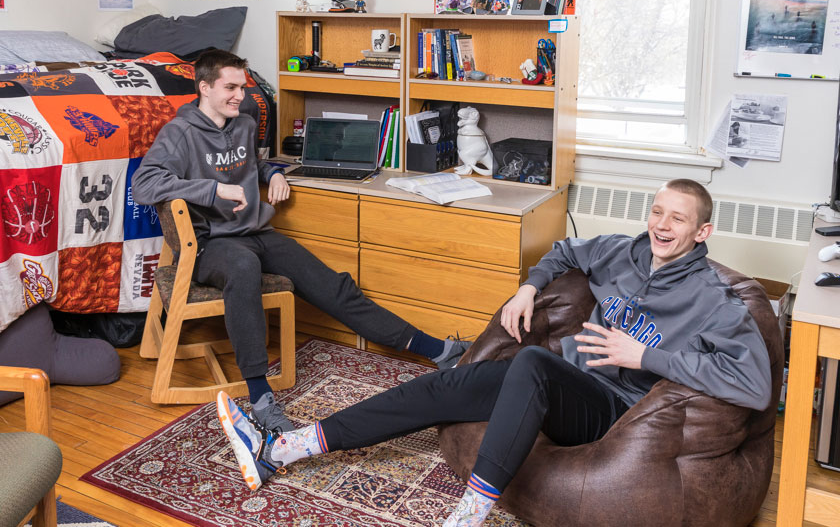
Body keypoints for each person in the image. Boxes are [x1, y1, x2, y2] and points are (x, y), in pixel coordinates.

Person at [216, 179, 772, 526]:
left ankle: (470, 514)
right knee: (450, 382)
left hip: (616, 411)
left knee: (527, 362)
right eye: (657, 212)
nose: (662, 225)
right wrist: (528, 288)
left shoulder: (718, 300)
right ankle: (284, 447)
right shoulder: (620, 251)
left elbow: (754, 387)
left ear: (703, 232)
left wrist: (643, 357)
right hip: (560, 383)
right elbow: (561, 251)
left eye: (678, 218)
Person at [132, 50, 470, 432]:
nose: (239, 96)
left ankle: (437, 350)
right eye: (230, 87)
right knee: (243, 270)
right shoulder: (180, 133)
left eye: (242, 87)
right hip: (214, 244)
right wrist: (214, 190)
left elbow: (251, 164)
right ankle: (260, 398)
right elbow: (143, 185)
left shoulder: (243, 123)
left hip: (257, 232)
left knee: (333, 285)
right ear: (204, 87)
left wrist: (273, 172)